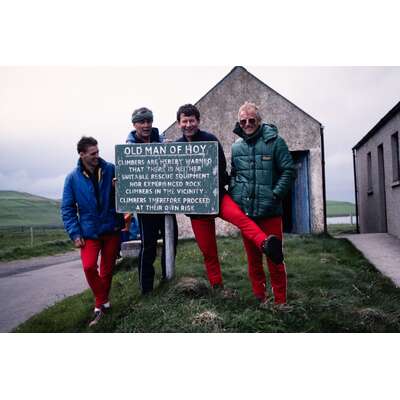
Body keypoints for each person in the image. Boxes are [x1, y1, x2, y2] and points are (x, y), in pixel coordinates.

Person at [175, 104, 283, 293]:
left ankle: (265, 244)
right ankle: (217, 286)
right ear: (179, 123)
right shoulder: (176, 147)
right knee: (208, 251)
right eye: (185, 121)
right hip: (196, 208)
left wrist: (212, 186)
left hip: (217, 196)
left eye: (192, 120)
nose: (189, 124)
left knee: (242, 219)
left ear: (198, 121)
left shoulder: (210, 140)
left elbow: (222, 171)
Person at [229, 102, 296, 307]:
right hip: (247, 213)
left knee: (275, 258)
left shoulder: (276, 142)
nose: (247, 124)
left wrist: (275, 195)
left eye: (251, 120)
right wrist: (236, 194)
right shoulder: (236, 146)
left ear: (259, 120)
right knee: (253, 260)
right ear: (239, 122)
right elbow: (235, 175)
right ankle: (260, 297)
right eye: (243, 121)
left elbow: (288, 171)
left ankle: (281, 301)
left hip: (271, 213)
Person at [61, 136, 124, 326]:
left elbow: (126, 193)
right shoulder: (72, 178)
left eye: (98, 151)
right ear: (82, 155)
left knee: (107, 269)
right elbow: (67, 208)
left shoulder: (111, 169)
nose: (97, 156)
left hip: (111, 227)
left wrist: (118, 187)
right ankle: (103, 300)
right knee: (89, 267)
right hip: (88, 232)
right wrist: (75, 233)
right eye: (93, 153)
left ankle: (99, 308)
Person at [126, 107, 178, 294]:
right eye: (142, 122)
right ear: (135, 124)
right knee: (148, 245)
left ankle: (167, 279)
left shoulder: (162, 140)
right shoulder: (129, 147)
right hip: (146, 205)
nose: (146, 125)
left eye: (149, 121)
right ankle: (146, 288)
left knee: (171, 240)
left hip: (165, 201)